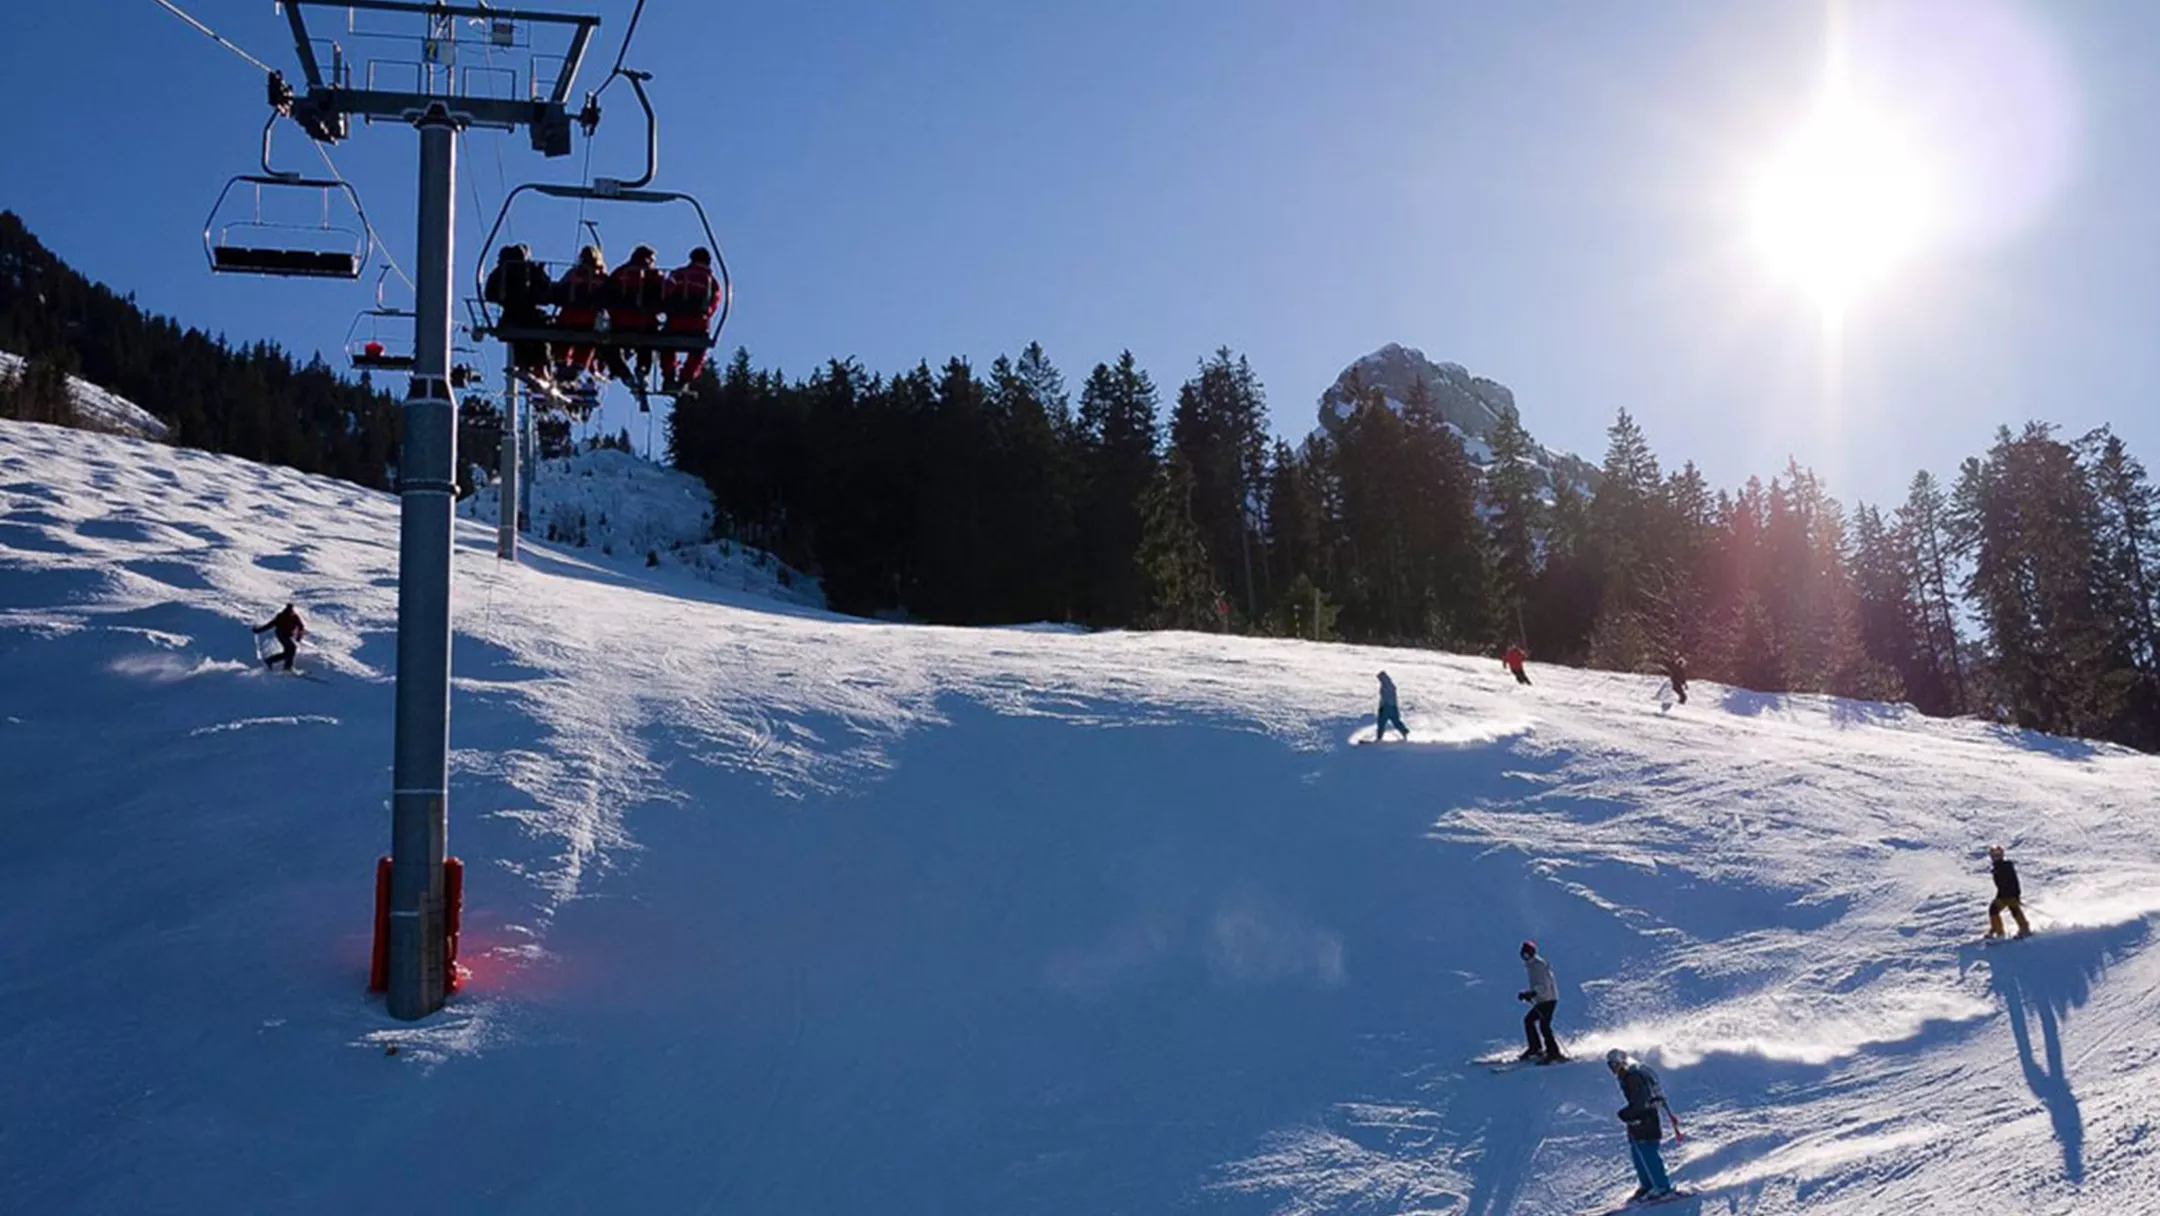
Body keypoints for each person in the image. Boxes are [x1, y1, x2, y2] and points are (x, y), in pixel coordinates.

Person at [1606, 1049, 1674, 1202]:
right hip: (1638, 1119)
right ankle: (1648, 1185)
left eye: (1614, 1064)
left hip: (1646, 1118)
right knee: (1637, 1153)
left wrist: (1626, 1113)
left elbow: (1641, 1101)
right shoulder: (1626, 1075)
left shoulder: (1633, 1077)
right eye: (1610, 1065)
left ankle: (1662, 1187)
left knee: (1648, 1151)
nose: (1612, 1068)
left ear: (1622, 1062)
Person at [483, 243, 557, 374]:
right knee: (543, 334)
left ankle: (524, 365)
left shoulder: (501, 269)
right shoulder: (531, 268)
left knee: (518, 339)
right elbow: (547, 290)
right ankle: (542, 367)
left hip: (510, 314)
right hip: (531, 315)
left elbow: (489, 293)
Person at [659, 247, 722, 392]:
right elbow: (714, 303)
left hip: (675, 322)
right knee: (698, 351)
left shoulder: (679, 275)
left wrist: (666, 308)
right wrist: (705, 314)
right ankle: (684, 379)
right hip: (697, 325)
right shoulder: (711, 281)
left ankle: (669, 377)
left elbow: (666, 291)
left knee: (666, 346)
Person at [606, 243, 668, 391]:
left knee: (609, 345)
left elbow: (607, 294)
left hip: (620, 322)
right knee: (647, 344)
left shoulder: (619, 273)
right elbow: (664, 296)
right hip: (645, 322)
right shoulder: (654, 275)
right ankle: (642, 369)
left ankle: (621, 371)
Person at [554, 245, 610, 383]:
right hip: (589, 321)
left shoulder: (574, 274)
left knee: (562, 341)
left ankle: (561, 364)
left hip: (569, 317)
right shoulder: (603, 277)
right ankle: (577, 367)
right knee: (588, 343)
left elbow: (559, 291)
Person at [1517, 940, 1564, 1062]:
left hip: (1548, 999)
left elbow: (1544, 985)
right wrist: (1530, 994)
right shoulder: (1532, 965)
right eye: (1523, 954)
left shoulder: (1538, 965)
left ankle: (1553, 1052)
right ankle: (1536, 1048)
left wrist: (1532, 993)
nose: (1525, 957)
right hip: (1543, 999)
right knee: (1530, 1021)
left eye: (1527, 954)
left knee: (1543, 1025)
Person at [1987, 844, 2032, 940]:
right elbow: (2000, 885)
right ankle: (1999, 931)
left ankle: (2002, 932)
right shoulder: (1997, 867)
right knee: (1996, 910)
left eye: (1997, 855)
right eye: (1993, 855)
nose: (1995, 857)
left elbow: (2013, 881)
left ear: (2002, 855)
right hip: (2003, 895)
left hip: (2009, 894)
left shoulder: (2005, 866)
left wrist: (2016, 895)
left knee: (2008, 909)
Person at [253, 602, 307, 672]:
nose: (290, 613)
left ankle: (270, 660)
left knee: (288, 652)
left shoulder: (295, 617)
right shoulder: (281, 616)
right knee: (292, 648)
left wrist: (298, 637)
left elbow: (301, 627)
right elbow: (270, 624)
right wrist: (258, 630)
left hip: (288, 635)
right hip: (281, 635)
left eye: (291, 611)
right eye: (288, 611)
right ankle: (287, 668)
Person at [1374, 671, 1409, 742]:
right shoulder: (1388, 684)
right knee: (1395, 721)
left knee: (1381, 722)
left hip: (1387, 706)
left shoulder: (1387, 685)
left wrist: (1382, 707)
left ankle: (1379, 738)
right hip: (1392, 706)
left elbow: (1386, 696)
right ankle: (1404, 731)